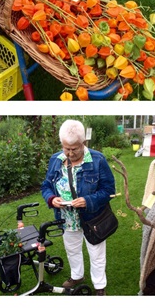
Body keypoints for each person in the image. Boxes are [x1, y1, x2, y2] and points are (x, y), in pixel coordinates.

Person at [41, 119, 116, 296]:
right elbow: (46, 186)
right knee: (72, 249)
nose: (69, 153)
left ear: (83, 143)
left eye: (74, 148)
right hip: (67, 218)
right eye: (66, 148)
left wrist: (88, 200)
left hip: (93, 217)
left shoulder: (97, 160)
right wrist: (52, 199)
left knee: (96, 252)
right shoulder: (56, 160)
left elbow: (109, 191)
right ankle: (77, 276)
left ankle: (99, 286)